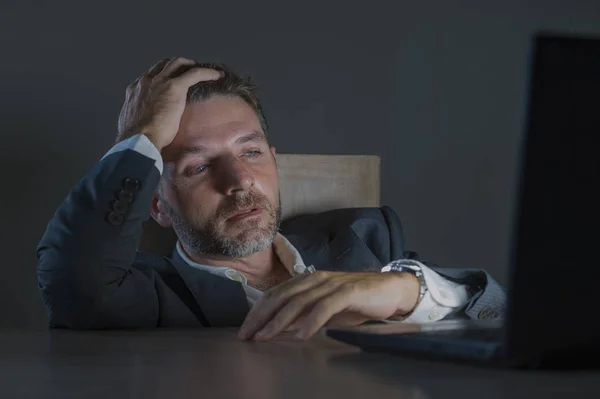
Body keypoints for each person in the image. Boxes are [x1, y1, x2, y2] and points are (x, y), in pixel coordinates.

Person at [36, 57, 506, 341]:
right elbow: (75, 287)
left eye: (252, 151)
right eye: (199, 166)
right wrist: (140, 136)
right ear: (157, 205)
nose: (240, 179)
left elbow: (495, 311)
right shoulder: (148, 295)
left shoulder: (366, 236)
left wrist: (406, 291)